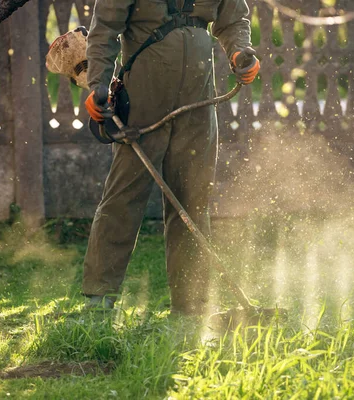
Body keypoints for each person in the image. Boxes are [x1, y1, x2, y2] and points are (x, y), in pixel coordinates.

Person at [83, 0, 260, 316]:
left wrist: (240, 53)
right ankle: (99, 298)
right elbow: (105, 29)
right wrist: (98, 83)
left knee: (193, 199)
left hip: (199, 98)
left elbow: (233, 19)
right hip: (142, 99)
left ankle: (191, 302)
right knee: (124, 197)